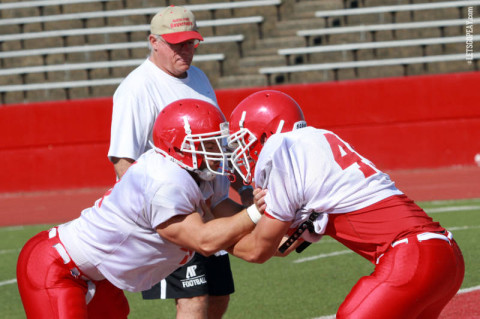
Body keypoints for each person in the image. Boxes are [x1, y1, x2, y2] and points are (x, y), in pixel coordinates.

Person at [225, 90, 465, 318]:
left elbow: (258, 250)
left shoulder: (281, 151)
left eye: (243, 142)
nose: (243, 155)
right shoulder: (315, 145)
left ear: (266, 133)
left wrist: (207, 237)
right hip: (444, 257)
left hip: (412, 257)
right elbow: (284, 245)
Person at [17, 99, 265, 319]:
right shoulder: (165, 180)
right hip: (58, 267)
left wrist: (282, 223)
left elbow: (244, 240)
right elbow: (205, 241)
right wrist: (257, 211)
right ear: (179, 147)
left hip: (100, 277)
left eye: (217, 143)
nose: (218, 152)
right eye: (208, 145)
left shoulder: (197, 174)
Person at [107, 5, 252, 318]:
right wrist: (158, 213)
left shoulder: (197, 77)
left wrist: (242, 188)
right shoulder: (136, 88)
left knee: (218, 296)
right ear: (154, 42)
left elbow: (218, 142)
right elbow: (123, 162)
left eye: (191, 43)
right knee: (194, 298)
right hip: (174, 212)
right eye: (176, 44)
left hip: (210, 204)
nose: (185, 50)